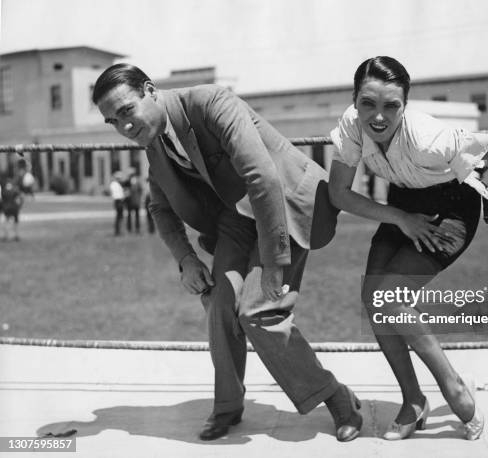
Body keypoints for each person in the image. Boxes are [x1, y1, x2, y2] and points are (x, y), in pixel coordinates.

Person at [93, 63, 361, 442]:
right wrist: (186, 260)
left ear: (150, 91)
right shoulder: (154, 144)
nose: (124, 127)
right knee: (219, 304)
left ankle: (336, 397)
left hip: (285, 204)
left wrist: (272, 262)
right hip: (237, 218)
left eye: (126, 112)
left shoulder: (210, 102)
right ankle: (228, 407)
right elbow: (160, 208)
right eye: (112, 122)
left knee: (258, 310)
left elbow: (261, 176)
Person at [328, 56, 488, 441]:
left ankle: (454, 389)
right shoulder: (351, 126)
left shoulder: (431, 138)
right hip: (403, 206)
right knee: (372, 298)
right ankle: (413, 401)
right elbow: (338, 193)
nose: (378, 117)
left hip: (451, 209)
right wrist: (398, 216)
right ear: (355, 99)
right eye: (368, 104)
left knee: (390, 298)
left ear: (405, 106)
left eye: (391, 106)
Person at [109, 171, 125, 236]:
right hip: (118, 201)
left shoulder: (116, 184)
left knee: (120, 217)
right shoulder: (115, 184)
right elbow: (118, 195)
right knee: (119, 217)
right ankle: (117, 231)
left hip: (119, 201)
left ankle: (118, 230)